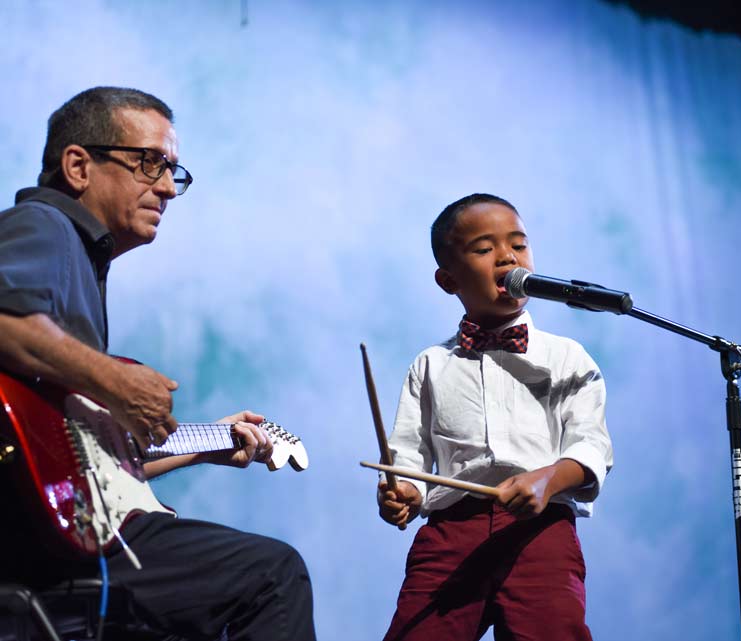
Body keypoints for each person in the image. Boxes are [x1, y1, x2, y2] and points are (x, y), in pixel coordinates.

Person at [0, 87, 315, 640]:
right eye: (151, 163)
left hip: (49, 529)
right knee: (270, 574)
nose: (168, 188)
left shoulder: (81, 262)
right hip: (29, 544)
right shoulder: (42, 227)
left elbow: (79, 471)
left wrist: (208, 440)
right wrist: (116, 380)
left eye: (174, 172)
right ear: (78, 166)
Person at [376, 193, 614, 640]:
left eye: (519, 245)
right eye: (484, 249)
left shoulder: (566, 356)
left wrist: (547, 479)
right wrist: (402, 491)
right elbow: (407, 455)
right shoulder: (430, 364)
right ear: (448, 280)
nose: (507, 257)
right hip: (449, 536)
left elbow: (591, 446)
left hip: (539, 535)